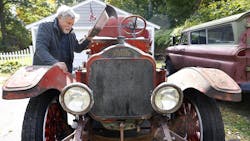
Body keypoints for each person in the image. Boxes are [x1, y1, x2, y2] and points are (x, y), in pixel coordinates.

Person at [33, 5, 91, 73]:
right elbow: (40, 49)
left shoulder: (71, 33)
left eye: (72, 24)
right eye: (68, 23)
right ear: (59, 17)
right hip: (44, 73)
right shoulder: (45, 27)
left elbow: (78, 48)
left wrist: (88, 38)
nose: (70, 27)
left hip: (64, 74)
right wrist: (54, 63)